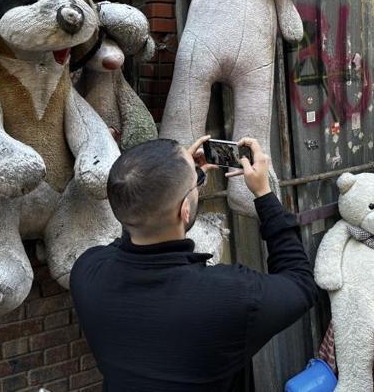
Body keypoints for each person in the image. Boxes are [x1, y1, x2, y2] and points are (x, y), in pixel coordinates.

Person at [70, 135, 317, 392]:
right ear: (185, 211)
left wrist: (176, 180)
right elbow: (300, 282)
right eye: (196, 187)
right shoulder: (231, 296)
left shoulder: (87, 272)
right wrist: (264, 194)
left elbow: (132, 227)